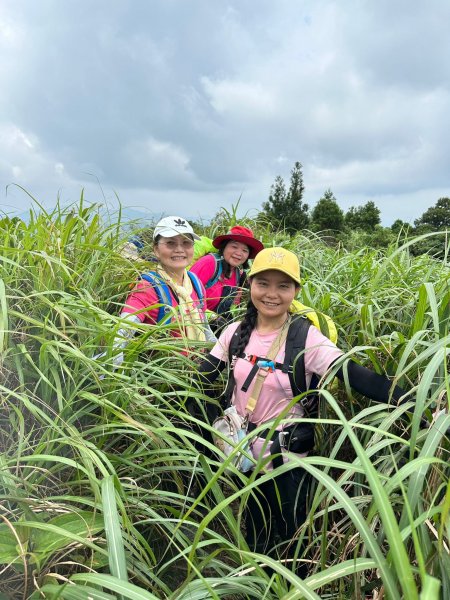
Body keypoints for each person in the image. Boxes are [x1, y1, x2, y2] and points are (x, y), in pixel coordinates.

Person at [195, 246, 412, 575]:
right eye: (263, 283)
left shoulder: (305, 339)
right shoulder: (234, 331)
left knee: (291, 539)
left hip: (287, 464)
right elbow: (200, 378)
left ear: (296, 291)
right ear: (249, 284)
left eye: (283, 286)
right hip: (242, 456)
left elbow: (358, 377)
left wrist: (418, 404)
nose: (271, 294)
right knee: (255, 531)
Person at [111, 216, 215, 366]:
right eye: (171, 243)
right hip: (162, 380)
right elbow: (122, 331)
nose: (179, 249)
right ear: (156, 250)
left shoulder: (194, 283)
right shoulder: (148, 287)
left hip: (196, 370)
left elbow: (203, 325)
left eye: (186, 243)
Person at [189, 225, 264, 330]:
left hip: (216, 327)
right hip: (194, 325)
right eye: (234, 247)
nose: (239, 253)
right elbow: (186, 299)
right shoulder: (209, 263)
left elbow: (233, 306)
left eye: (245, 250)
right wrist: (214, 318)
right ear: (224, 247)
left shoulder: (238, 274)